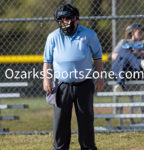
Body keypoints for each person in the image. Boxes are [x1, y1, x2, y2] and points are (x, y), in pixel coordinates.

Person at [43, 4, 104, 150]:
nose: (65, 21)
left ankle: (88, 147)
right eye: (61, 19)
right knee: (60, 122)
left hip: (84, 84)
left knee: (86, 120)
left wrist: (100, 77)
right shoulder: (53, 37)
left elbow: (98, 57)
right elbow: (47, 61)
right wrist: (47, 79)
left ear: (77, 19)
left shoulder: (89, 35)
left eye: (68, 18)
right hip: (62, 85)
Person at [112, 23, 144, 92]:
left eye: (142, 31)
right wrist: (129, 55)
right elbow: (114, 56)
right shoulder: (124, 41)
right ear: (132, 32)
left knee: (124, 57)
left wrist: (139, 53)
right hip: (122, 69)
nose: (141, 32)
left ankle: (119, 84)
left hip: (136, 71)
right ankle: (140, 63)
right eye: (139, 31)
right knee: (125, 50)